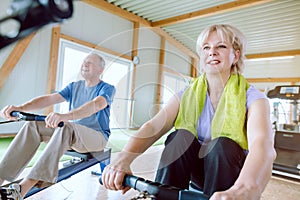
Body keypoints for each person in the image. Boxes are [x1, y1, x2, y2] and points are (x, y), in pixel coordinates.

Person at [101, 24, 276, 200]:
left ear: (235, 55)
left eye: (221, 46)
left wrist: (245, 188)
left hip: (231, 176)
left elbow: (263, 146)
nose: (212, 52)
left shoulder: (254, 99)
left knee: (222, 144)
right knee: (180, 136)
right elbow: (153, 126)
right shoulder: (186, 94)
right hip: (197, 172)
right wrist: (123, 158)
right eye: (206, 47)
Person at [0, 53, 115, 199]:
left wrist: (65, 116)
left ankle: (22, 189)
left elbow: (97, 104)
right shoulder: (75, 86)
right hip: (74, 135)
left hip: (97, 137)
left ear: (100, 70)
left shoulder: (107, 88)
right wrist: (21, 107)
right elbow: (49, 99)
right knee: (34, 125)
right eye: (84, 62)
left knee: (66, 126)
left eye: (90, 63)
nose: (85, 64)